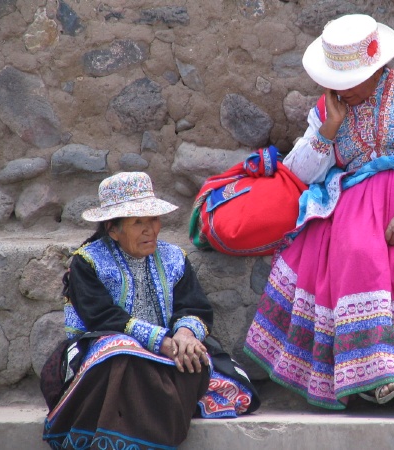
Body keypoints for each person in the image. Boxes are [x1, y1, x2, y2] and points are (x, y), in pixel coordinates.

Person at [244, 14, 394, 409]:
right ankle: (373, 371)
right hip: (359, 204)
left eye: (350, 82)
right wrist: (328, 130)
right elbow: (300, 172)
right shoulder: (327, 112)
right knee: (358, 254)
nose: (342, 90)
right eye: (335, 83)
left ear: (376, 69)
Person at [43, 172, 256, 449]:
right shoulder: (87, 263)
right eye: (138, 222)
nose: (151, 229)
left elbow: (194, 306)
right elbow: (102, 317)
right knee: (119, 355)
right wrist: (160, 342)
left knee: (194, 359)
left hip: (168, 347)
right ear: (112, 229)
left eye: (153, 219)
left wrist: (185, 335)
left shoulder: (174, 257)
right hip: (103, 349)